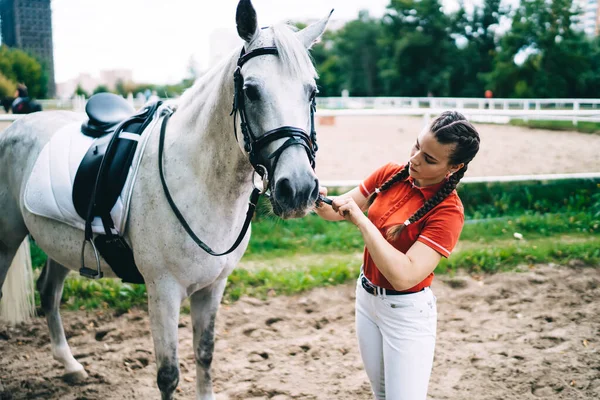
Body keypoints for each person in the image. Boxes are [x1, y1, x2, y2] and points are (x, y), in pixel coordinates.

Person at [314, 111, 480, 400]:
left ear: (454, 167)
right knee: (380, 394)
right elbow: (336, 210)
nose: (415, 159)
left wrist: (363, 222)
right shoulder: (390, 173)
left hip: (406, 314)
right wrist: (314, 196)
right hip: (366, 299)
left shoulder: (448, 211)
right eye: (417, 146)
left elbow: (404, 276)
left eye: (429, 159)